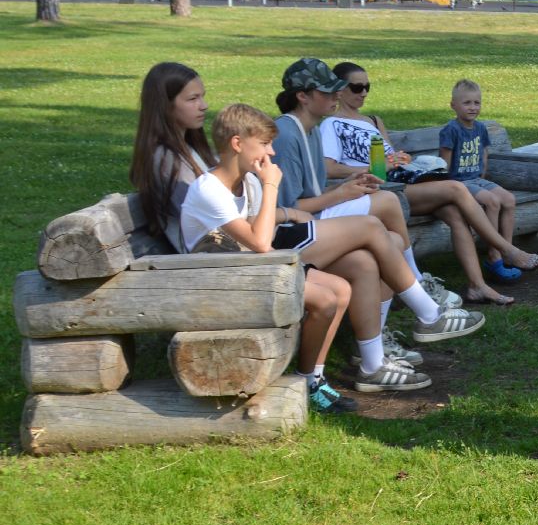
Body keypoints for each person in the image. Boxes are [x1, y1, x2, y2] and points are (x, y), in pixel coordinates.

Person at [272, 57, 486, 392]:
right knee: (380, 218)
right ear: (303, 96)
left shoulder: (309, 128)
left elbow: (311, 196)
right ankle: (428, 312)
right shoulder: (286, 134)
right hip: (283, 236)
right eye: (328, 90)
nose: (336, 95)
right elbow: (286, 209)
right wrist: (342, 193)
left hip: (309, 225)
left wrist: (350, 188)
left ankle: (372, 364)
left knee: (374, 256)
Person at [178, 103, 357, 414]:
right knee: (325, 300)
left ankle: (313, 378)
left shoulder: (245, 181)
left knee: (340, 289)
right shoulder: (209, 190)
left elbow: (263, 238)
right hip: (217, 284)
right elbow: (261, 242)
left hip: (249, 270)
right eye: (264, 144)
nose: (271, 153)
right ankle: (303, 382)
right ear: (237, 143)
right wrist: (271, 185)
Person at [323, 62, 538, 305]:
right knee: (456, 188)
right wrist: (373, 168)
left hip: (402, 183)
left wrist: (401, 159)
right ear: (340, 89)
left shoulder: (374, 121)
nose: (364, 92)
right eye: (357, 87)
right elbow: (329, 167)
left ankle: (477, 286)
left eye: (367, 86)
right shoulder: (330, 124)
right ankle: (507, 250)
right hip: (380, 192)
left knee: (455, 213)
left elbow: (391, 157)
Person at [438, 79, 529, 282]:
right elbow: (444, 163)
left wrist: (483, 174)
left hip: (476, 179)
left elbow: (484, 153)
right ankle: (494, 256)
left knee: (508, 199)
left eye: (476, 103)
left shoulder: (480, 128)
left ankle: (508, 251)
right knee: (492, 201)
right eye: (467, 103)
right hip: (458, 183)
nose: (473, 107)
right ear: (453, 105)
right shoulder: (451, 130)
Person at [130, 61, 214, 254]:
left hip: (223, 249)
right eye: (193, 99)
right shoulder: (167, 160)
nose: (204, 106)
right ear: (165, 105)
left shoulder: (190, 149)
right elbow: (206, 218)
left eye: (202, 97)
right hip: (208, 258)